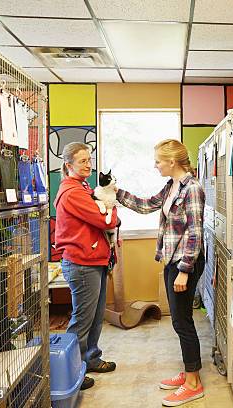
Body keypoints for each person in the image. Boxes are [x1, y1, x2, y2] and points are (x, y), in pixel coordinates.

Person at [117, 139, 205, 407]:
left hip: (184, 264)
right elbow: (146, 205)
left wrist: (184, 271)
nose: (155, 165)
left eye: (158, 161)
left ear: (172, 162)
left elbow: (195, 234)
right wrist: (115, 192)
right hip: (173, 261)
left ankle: (193, 384)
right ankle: (190, 371)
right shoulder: (172, 186)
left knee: (182, 321)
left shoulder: (192, 189)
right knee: (180, 321)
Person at [54, 142, 119, 390]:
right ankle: (71, 371)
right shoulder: (73, 192)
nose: (88, 165)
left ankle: (90, 358)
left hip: (94, 260)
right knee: (82, 319)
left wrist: (110, 217)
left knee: (95, 316)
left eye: (89, 160)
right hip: (82, 263)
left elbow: (104, 217)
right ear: (69, 165)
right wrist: (114, 216)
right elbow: (104, 219)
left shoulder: (82, 188)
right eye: (82, 161)